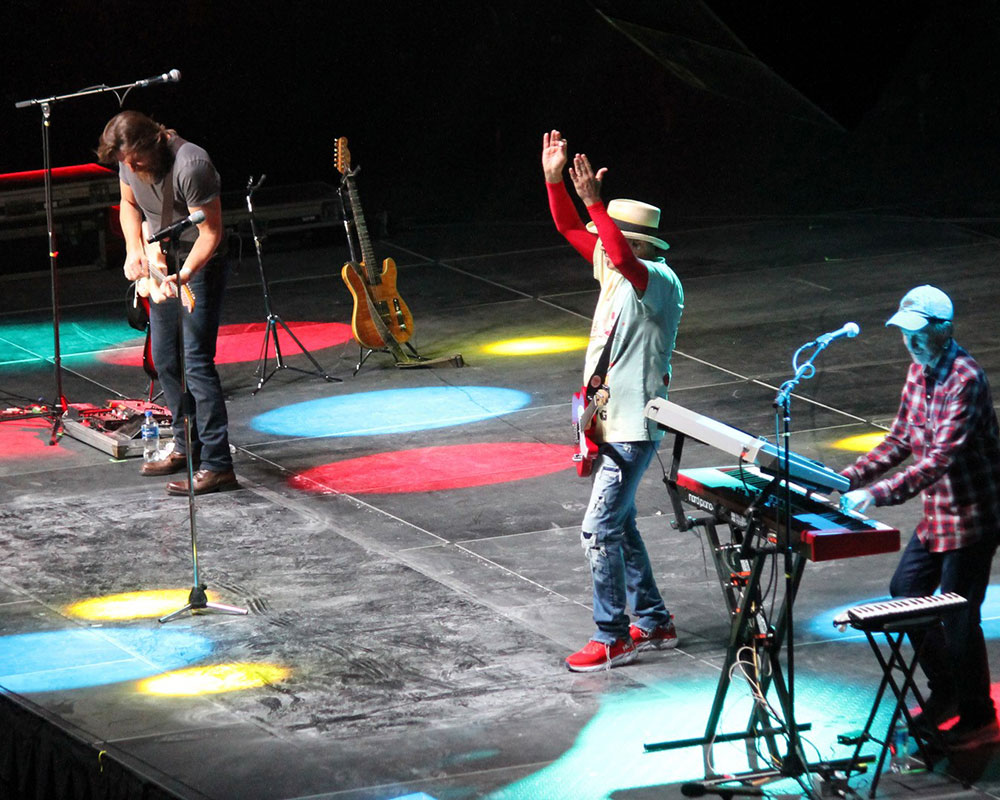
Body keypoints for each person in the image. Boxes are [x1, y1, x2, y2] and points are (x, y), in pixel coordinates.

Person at [542, 130, 684, 672]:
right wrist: (556, 181)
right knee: (618, 523)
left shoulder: (657, 279)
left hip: (633, 424)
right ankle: (653, 617)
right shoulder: (616, 264)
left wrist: (597, 204)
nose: (603, 242)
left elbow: (620, 254)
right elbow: (568, 227)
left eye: (612, 234)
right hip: (606, 417)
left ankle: (613, 633)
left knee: (598, 530)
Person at [840, 285, 1000, 748]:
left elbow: (939, 459)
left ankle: (976, 710)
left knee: (957, 614)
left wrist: (878, 493)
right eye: (904, 332)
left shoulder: (964, 378)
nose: (910, 341)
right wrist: (845, 480)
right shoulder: (918, 371)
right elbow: (900, 441)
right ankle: (946, 688)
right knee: (905, 592)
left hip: (972, 515)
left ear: (944, 330)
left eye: (918, 332)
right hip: (937, 513)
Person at [97, 111, 236, 495]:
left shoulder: (192, 164)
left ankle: (218, 464)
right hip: (163, 257)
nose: (130, 167)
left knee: (197, 361)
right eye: (124, 162)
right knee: (167, 359)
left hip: (198, 261)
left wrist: (187, 272)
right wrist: (134, 250)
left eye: (134, 160)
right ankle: (185, 444)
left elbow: (211, 231)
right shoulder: (130, 163)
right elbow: (129, 205)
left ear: (151, 142)